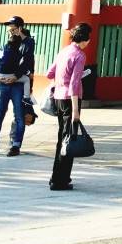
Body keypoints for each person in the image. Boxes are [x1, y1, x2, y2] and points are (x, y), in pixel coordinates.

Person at [46, 22, 91, 192]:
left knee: (62, 139)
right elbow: (74, 84)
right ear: (85, 39)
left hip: (58, 96)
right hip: (70, 99)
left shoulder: (64, 51)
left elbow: (50, 73)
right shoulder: (79, 55)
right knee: (69, 140)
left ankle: (56, 176)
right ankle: (60, 180)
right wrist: (75, 111)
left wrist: (60, 82)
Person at [0, 16, 35, 157]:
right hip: (3, 84)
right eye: (9, 30)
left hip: (18, 84)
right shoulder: (6, 44)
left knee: (19, 115)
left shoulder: (28, 43)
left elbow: (27, 62)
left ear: (19, 28)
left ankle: (15, 145)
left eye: (13, 30)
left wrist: (15, 76)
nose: (10, 33)